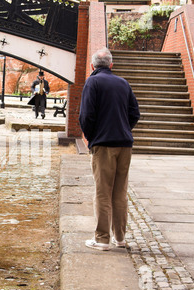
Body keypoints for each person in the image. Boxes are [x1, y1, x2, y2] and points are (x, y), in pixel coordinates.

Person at [79, 48, 140, 251]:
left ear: (92, 66)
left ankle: (102, 239)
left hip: (104, 144)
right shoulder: (123, 83)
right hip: (124, 144)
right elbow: (135, 113)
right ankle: (120, 238)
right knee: (120, 192)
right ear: (111, 65)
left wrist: (92, 137)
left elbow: (86, 115)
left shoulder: (92, 82)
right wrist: (123, 128)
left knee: (102, 192)